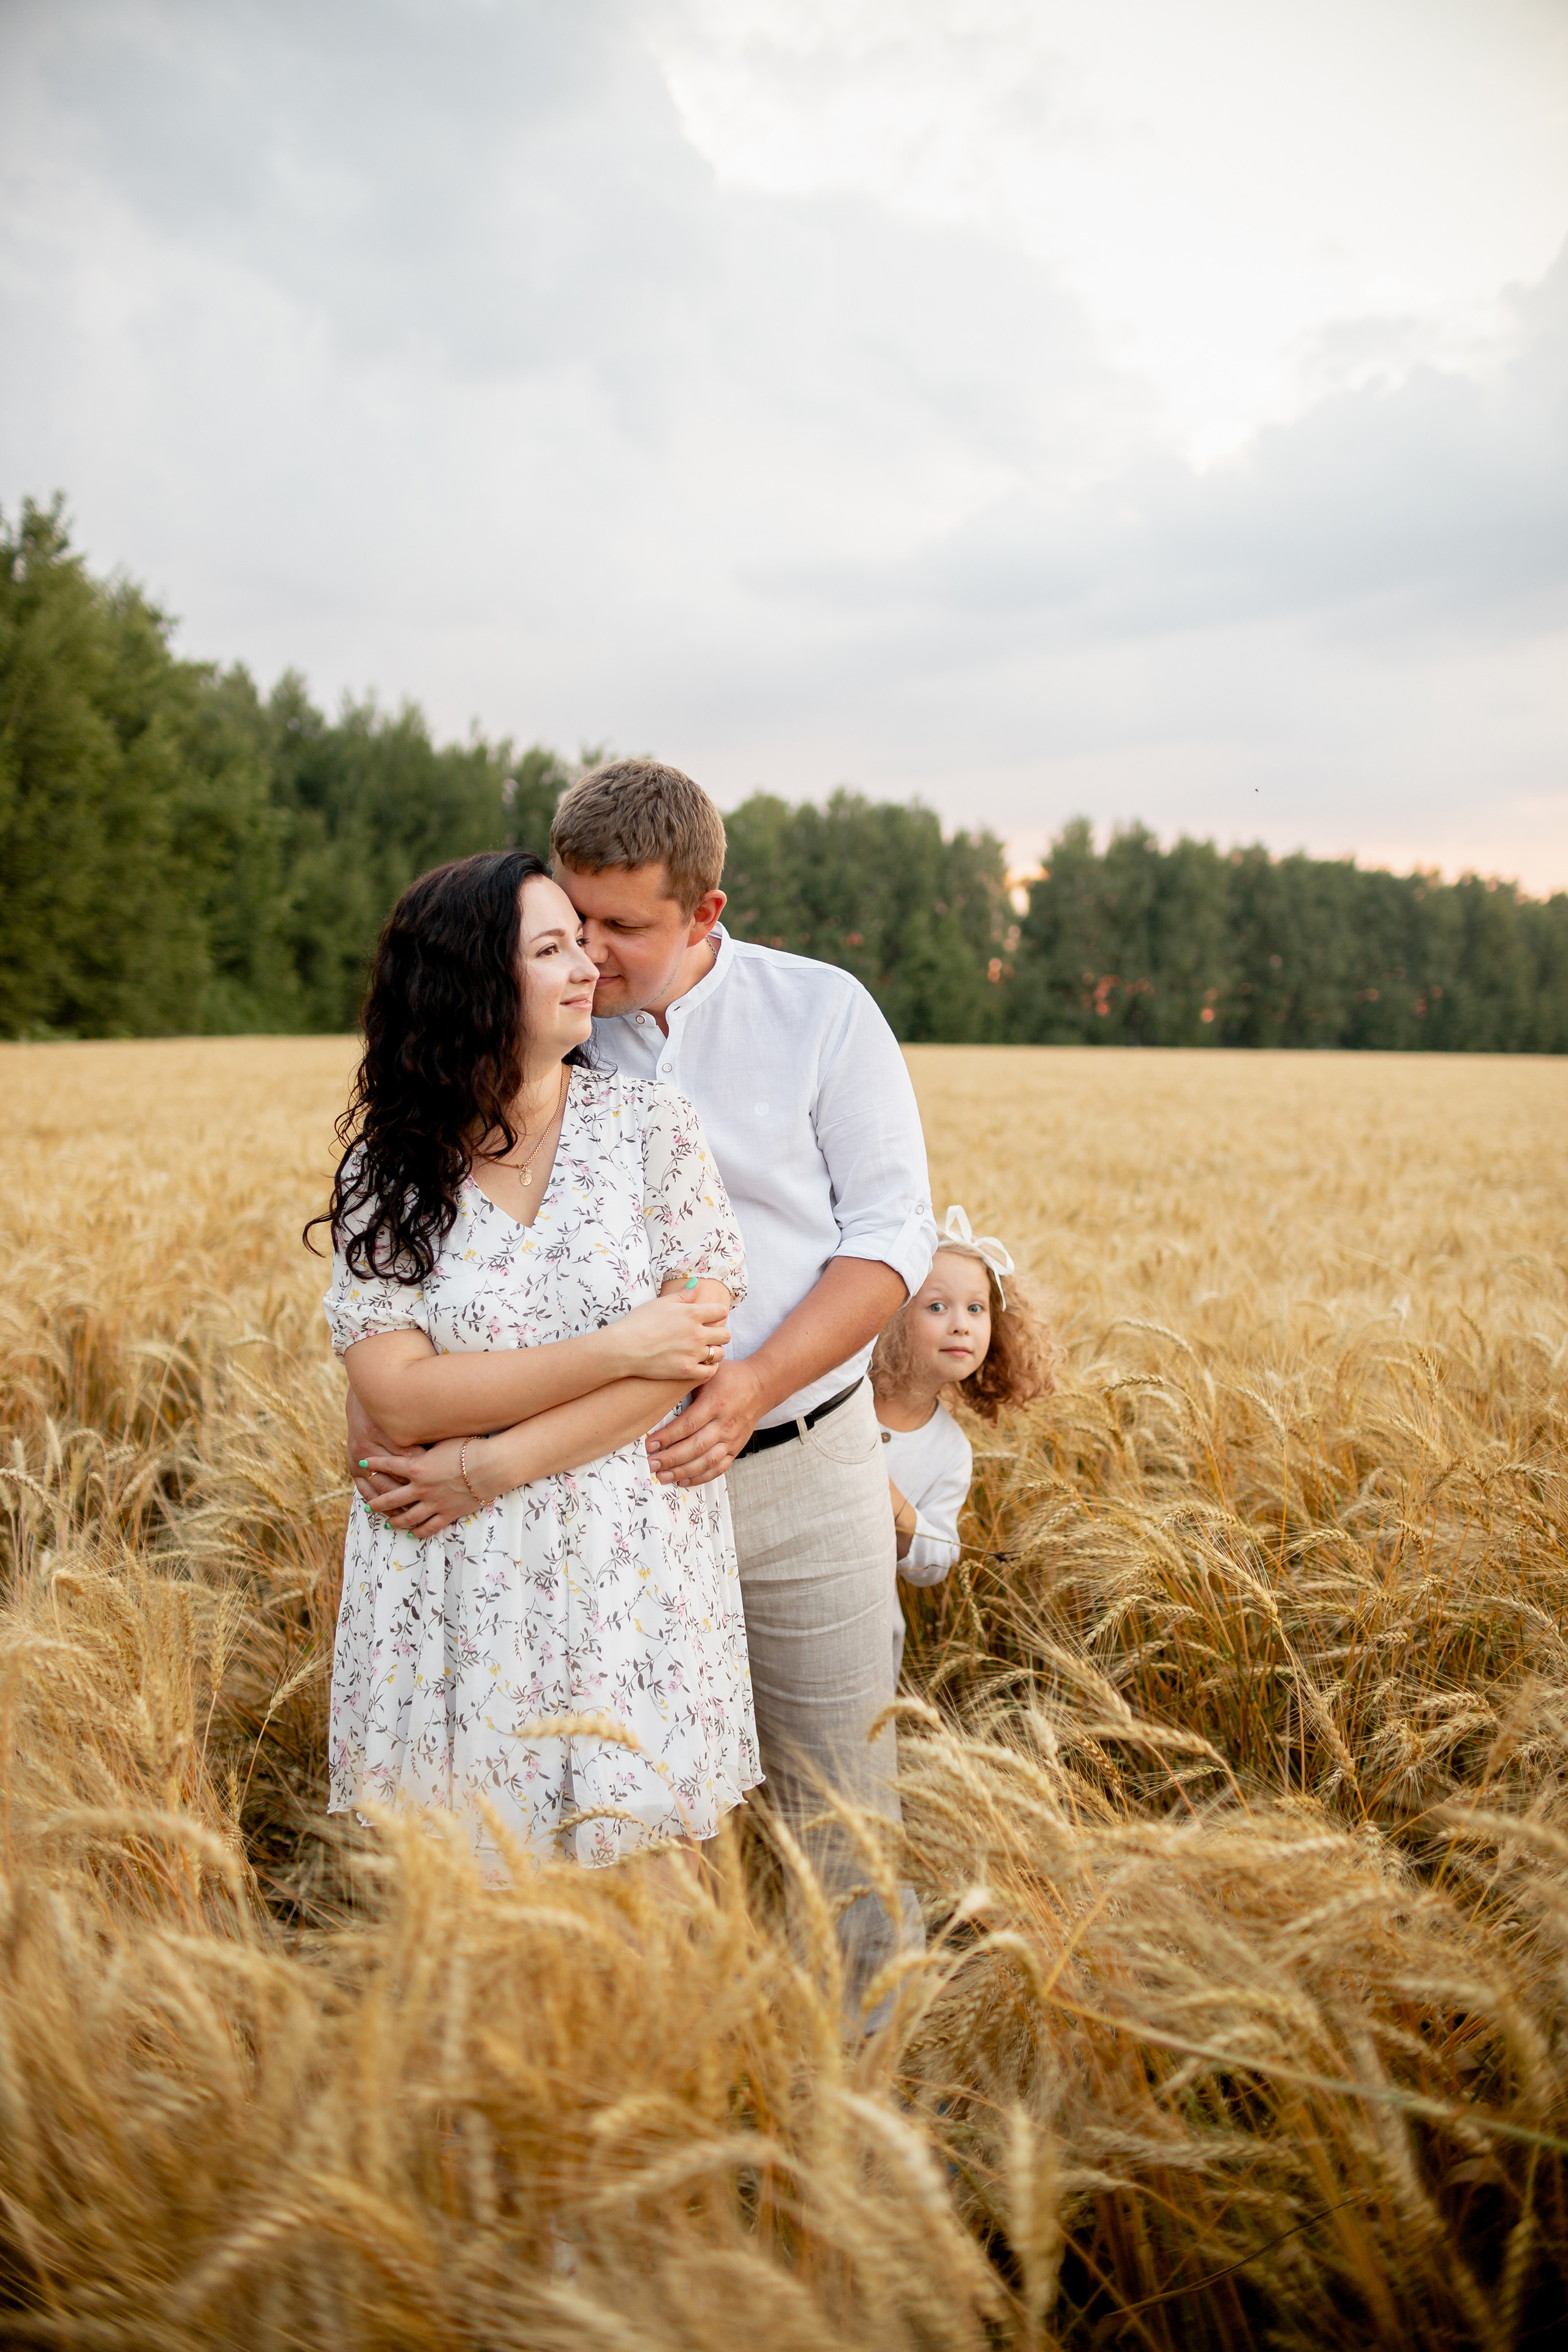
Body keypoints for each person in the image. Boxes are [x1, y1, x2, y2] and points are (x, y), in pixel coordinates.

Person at [352, 761, 938, 2016]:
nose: (597, 958)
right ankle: (674, 2092)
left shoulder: (821, 1014)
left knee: (839, 1814)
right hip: (593, 1508)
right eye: (576, 920)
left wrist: (748, 1383)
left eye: (625, 930)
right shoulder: (544, 1018)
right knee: (632, 1828)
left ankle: (870, 2118)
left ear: (704, 914)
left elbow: (888, 1237)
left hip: (796, 1457)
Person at [317, 847, 759, 1876]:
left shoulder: (651, 1130)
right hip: (451, 1582)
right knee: (472, 1918)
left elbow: (681, 1357)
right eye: (552, 947)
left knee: (657, 1901)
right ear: (473, 979)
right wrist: (616, 1345)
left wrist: (494, 1464)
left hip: (625, 1563)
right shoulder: (388, 1167)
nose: (586, 968)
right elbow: (395, 1392)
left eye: (585, 944)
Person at [870, 1207, 1059, 1667]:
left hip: (863, 1632)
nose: (961, 1324)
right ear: (891, 1316)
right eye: (937, 1306)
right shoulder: (839, 1394)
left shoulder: (950, 1451)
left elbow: (935, 1563)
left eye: (976, 1308)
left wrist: (885, 1496)